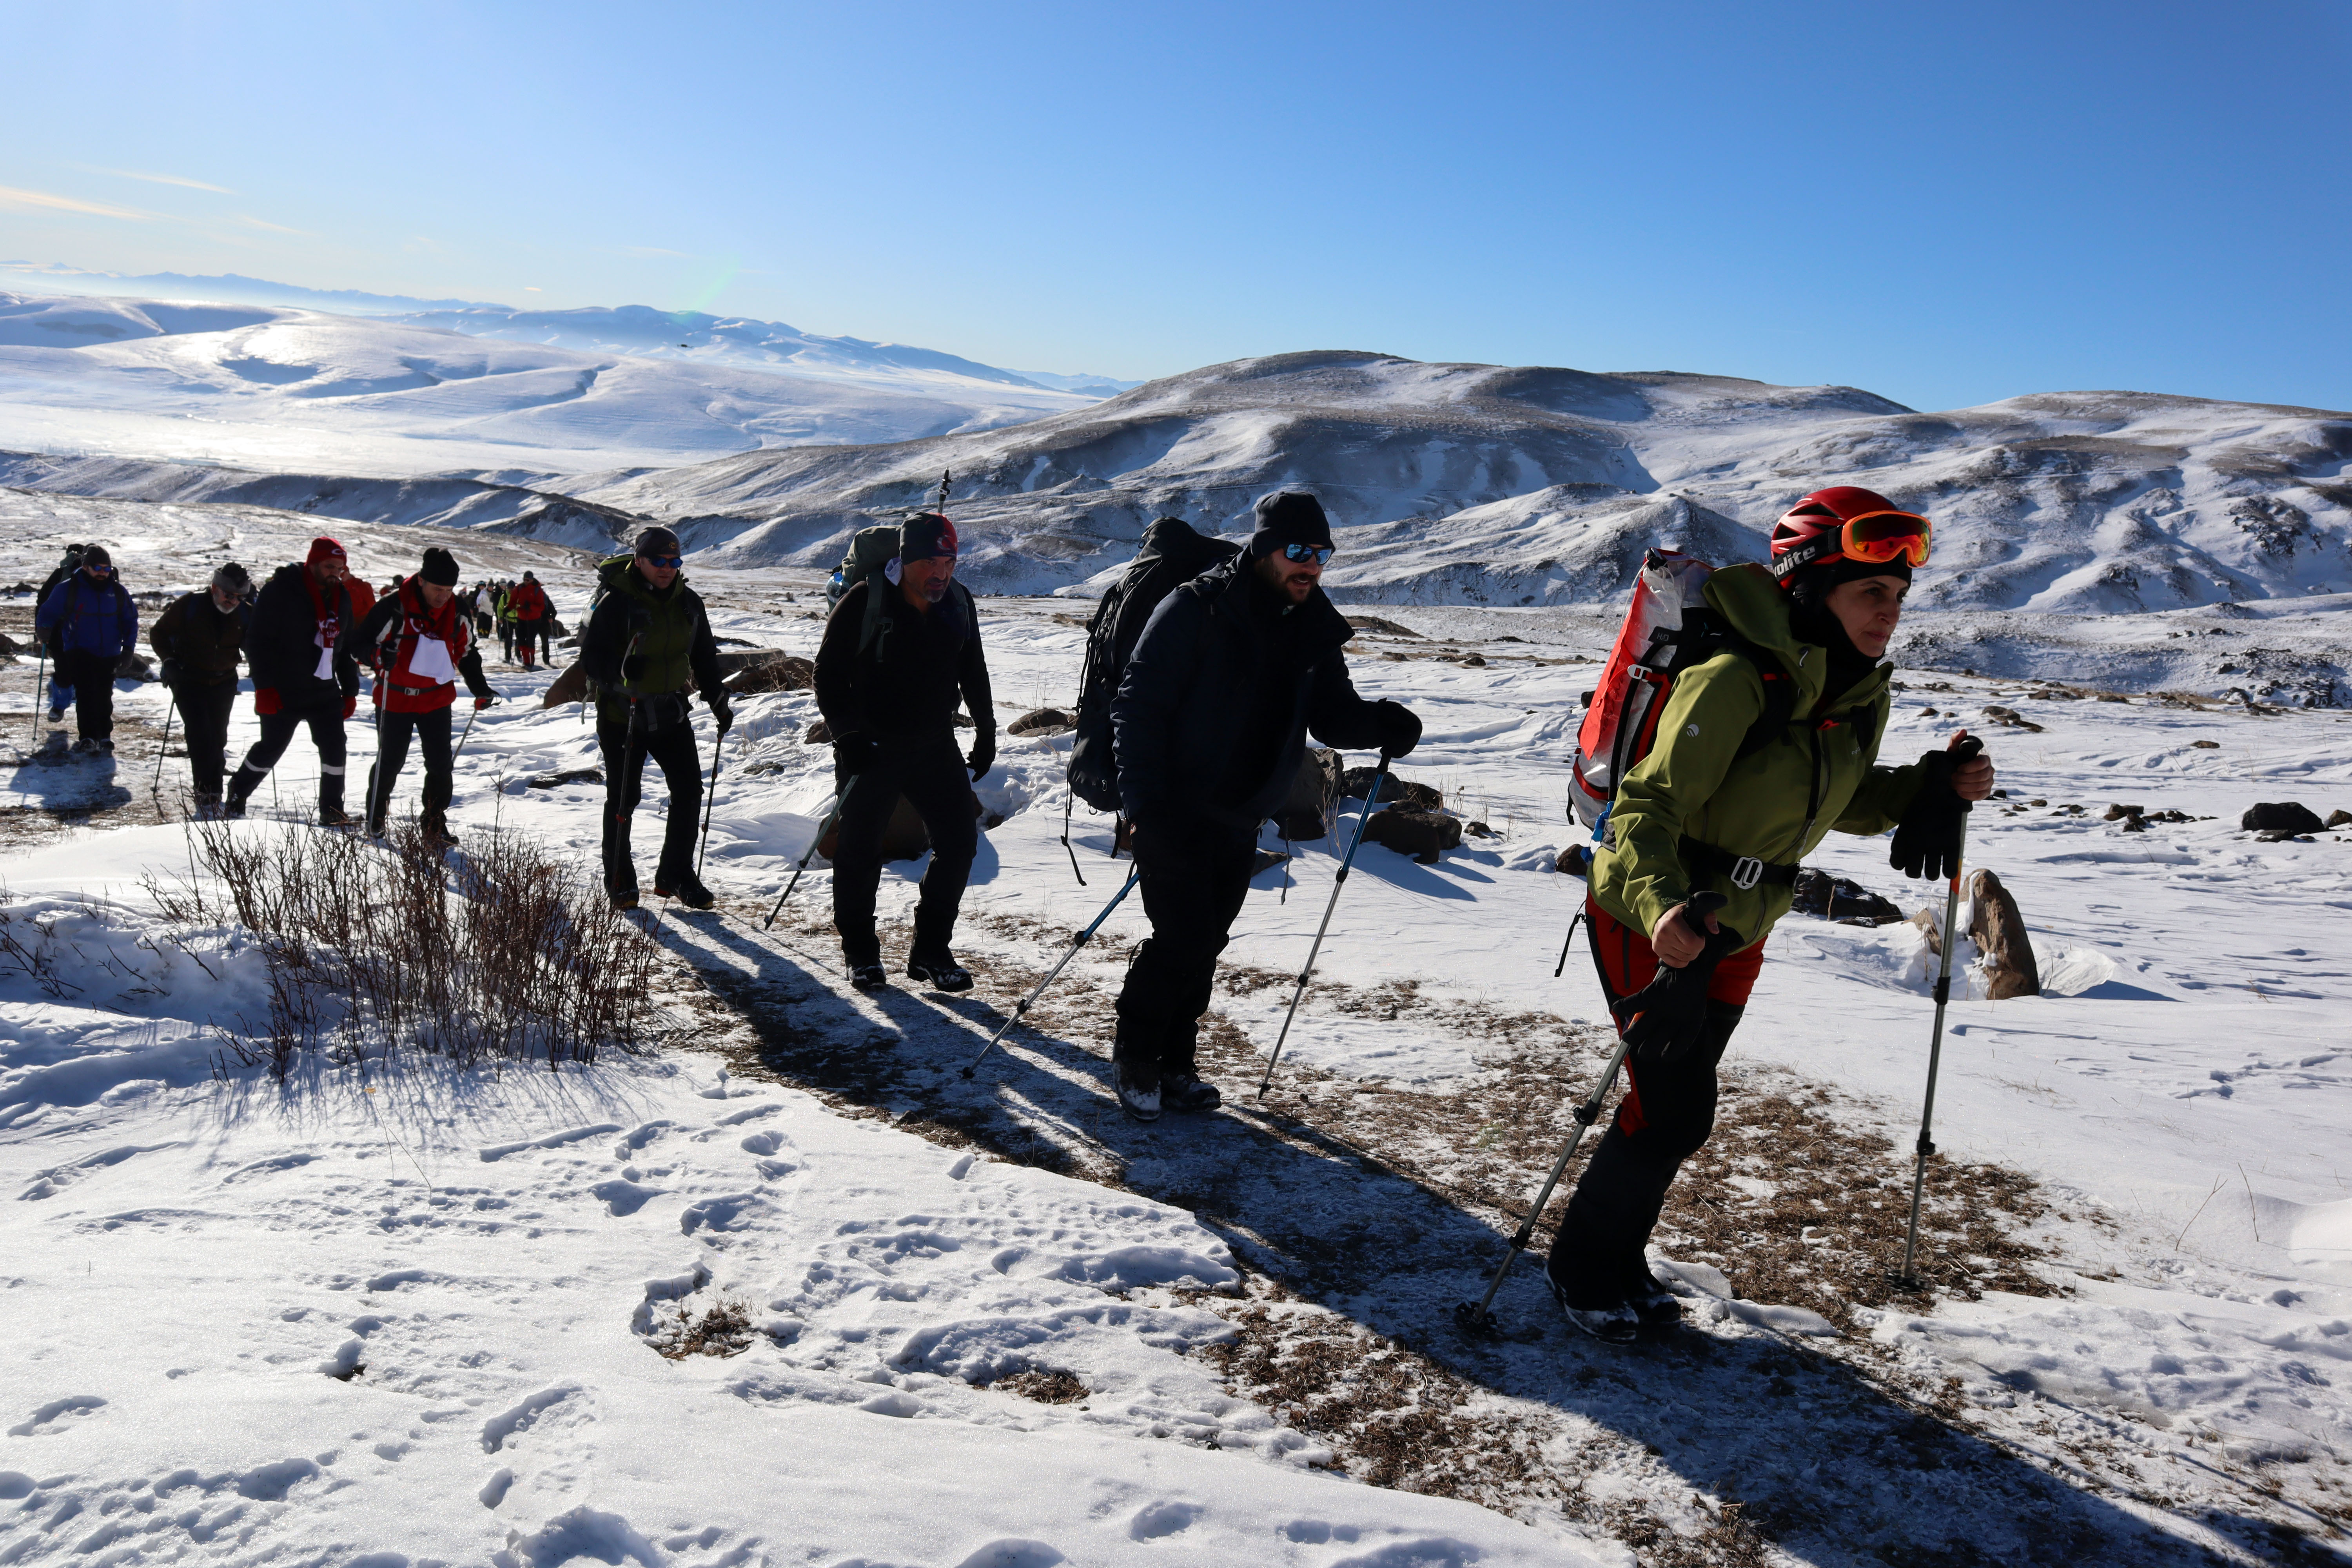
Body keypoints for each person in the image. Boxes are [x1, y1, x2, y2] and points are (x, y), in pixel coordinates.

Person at [1545, 485, 1996, 1343]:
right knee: (1671, 1109)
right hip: (1658, 909)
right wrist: (1662, 908)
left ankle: (1617, 1259)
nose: (1889, 613)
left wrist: (1931, 787)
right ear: (1813, 585)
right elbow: (1646, 806)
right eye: (1871, 592)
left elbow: (1839, 798)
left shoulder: (1854, 687)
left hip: (1742, 921)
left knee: (1669, 1106)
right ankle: (1580, 1270)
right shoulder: (1732, 678)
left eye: (1898, 596)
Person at [1107, 491, 1421, 1120]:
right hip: (1173, 804)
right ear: (1263, 547)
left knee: (1207, 941)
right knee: (1182, 938)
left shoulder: (1309, 624)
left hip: (1241, 813)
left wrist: (1387, 723)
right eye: (1299, 551)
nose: (1313, 566)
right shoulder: (1195, 608)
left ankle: (1176, 1066)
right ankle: (1136, 1056)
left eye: (1323, 554)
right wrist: (1142, 802)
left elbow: (1332, 713)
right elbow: (1138, 707)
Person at [813, 512, 995, 993]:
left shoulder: (959, 602)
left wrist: (987, 729)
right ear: (905, 559)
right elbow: (827, 675)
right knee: (859, 849)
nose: (942, 572)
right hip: (872, 745)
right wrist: (848, 737)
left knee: (959, 843)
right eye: (931, 561)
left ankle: (931, 951)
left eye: (950, 561)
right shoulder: (864, 600)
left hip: (935, 744)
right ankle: (861, 953)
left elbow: (972, 668)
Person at [580, 528, 729, 909]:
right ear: (639, 561)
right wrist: (620, 670)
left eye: (674, 562)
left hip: (670, 710)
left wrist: (718, 700)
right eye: (659, 561)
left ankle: (675, 874)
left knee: (689, 791)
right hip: (621, 714)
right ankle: (619, 876)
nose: (667, 569)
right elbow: (590, 658)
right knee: (624, 798)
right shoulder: (615, 602)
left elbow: (705, 657)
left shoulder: (689, 603)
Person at [346, 548, 495, 844]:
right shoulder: (394, 607)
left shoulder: (458, 610)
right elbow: (358, 644)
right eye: (438, 589)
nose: (444, 596)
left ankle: (434, 826)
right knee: (390, 762)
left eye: (449, 590)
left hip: (436, 699)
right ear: (422, 582)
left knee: (441, 765)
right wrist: (378, 655)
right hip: (395, 698)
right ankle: (375, 821)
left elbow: (466, 652)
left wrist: (480, 687)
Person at [225, 536, 362, 824]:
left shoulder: (342, 597)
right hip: (283, 689)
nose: (335, 573)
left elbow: (345, 646)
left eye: (340, 567)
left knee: (335, 748)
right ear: (313, 563)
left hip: (324, 690)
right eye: (329, 566)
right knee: (271, 748)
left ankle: (332, 811)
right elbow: (257, 641)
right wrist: (264, 688)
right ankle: (238, 791)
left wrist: (350, 690)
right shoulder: (281, 590)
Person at [150, 563, 254, 814]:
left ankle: (213, 789)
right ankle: (207, 794)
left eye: (240, 597)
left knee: (218, 737)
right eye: (229, 595)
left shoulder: (247, 614)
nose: (234, 601)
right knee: (200, 735)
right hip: (188, 680)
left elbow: (255, 647)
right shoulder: (190, 605)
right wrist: (169, 661)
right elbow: (159, 633)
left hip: (224, 681)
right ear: (214, 588)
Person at [33, 544, 139, 756]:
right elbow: (48, 609)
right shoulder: (68, 588)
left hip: (109, 651)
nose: (103, 573)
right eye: (98, 568)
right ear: (85, 567)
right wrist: (43, 628)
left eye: (107, 569)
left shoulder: (118, 592)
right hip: (79, 649)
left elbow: (130, 621)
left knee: (104, 694)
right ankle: (88, 737)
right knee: (86, 693)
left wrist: (128, 649)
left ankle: (105, 736)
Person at [34, 543, 85, 724]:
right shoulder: (63, 575)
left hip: (71, 635)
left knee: (68, 673)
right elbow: (45, 603)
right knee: (65, 671)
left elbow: (41, 601)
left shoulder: (100, 579)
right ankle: (61, 706)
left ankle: (63, 708)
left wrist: (40, 629)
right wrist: (42, 629)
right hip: (60, 634)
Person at [507, 572, 551, 669]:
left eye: (528, 580)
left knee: (530, 641)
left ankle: (531, 662)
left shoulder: (537, 590)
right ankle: (526, 661)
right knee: (521, 641)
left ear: (532, 580)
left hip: (534, 620)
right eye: (524, 580)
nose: (526, 582)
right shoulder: (519, 588)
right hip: (521, 618)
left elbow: (541, 607)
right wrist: (508, 608)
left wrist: (530, 607)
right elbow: (513, 600)